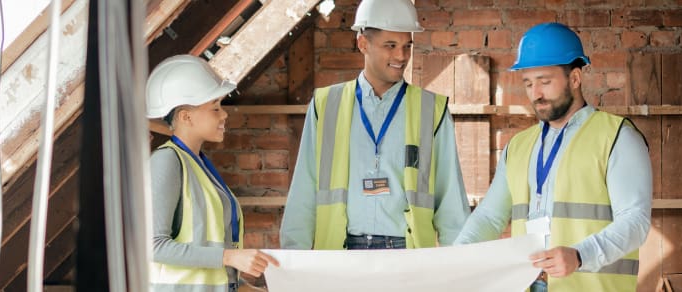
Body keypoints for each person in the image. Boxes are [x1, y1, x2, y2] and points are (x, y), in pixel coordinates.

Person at [453, 22, 652, 291]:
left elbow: (635, 221)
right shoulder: (519, 147)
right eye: (528, 83)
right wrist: (453, 259)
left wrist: (581, 255)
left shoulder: (617, 137)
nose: (536, 94)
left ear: (575, 78)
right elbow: (489, 218)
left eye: (545, 82)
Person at [280, 0, 469, 250]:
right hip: (343, 255)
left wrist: (460, 267)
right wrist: (294, 258)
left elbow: (451, 203)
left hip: (407, 256)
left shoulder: (432, 110)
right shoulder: (326, 105)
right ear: (363, 44)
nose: (401, 56)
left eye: (406, 46)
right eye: (390, 46)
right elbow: (304, 189)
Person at [147, 55, 278, 291]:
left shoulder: (198, 165)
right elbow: (152, 245)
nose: (224, 114)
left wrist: (247, 288)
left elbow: (209, 261)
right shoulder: (166, 161)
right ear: (186, 116)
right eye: (215, 107)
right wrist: (229, 257)